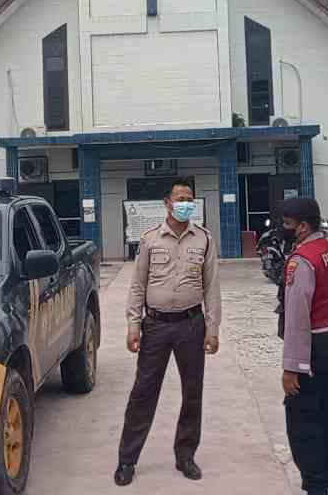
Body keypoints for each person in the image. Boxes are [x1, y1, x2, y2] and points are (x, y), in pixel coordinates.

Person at [115, 177, 222, 487]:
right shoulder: (150, 239)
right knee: (143, 393)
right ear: (167, 203)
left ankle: (185, 455)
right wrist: (133, 325)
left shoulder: (203, 239)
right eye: (179, 198)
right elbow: (137, 286)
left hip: (191, 324)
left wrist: (212, 329)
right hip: (156, 326)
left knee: (193, 392)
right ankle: (127, 460)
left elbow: (211, 286)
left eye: (189, 197)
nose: (184, 202)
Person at [279, 197, 328, 495]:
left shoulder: (302, 260)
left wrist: (291, 368)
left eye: (287, 225)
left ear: (302, 226)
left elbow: (297, 318)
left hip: (317, 352)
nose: (283, 229)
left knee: (306, 433)